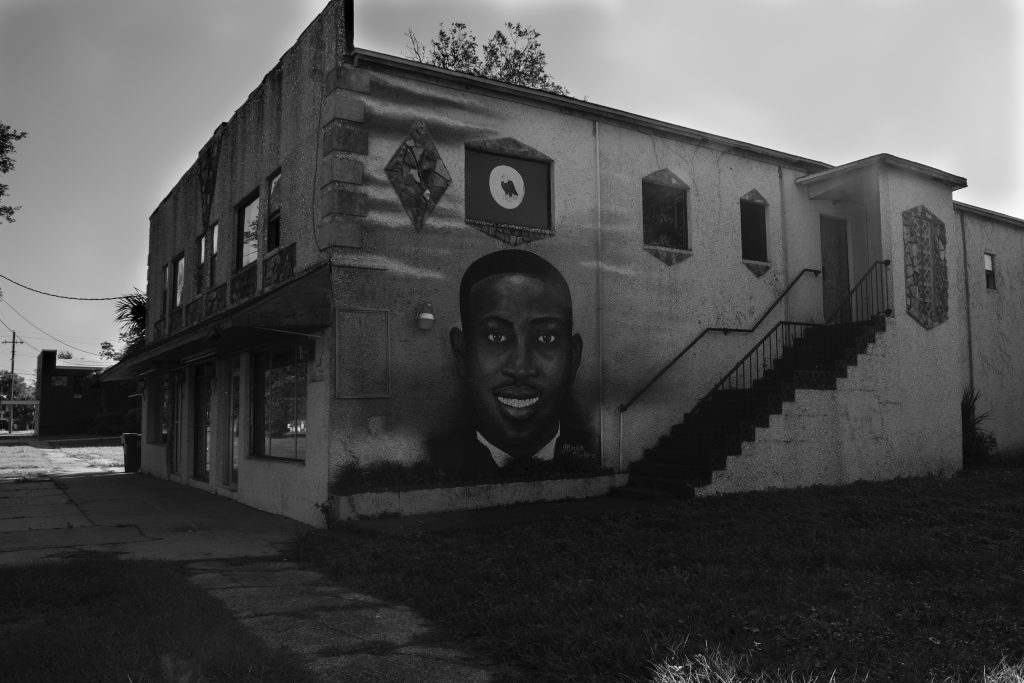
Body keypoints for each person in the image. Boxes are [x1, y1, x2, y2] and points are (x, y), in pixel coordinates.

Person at [428, 250, 597, 479]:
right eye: (496, 337)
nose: (520, 368)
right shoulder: (435, 455)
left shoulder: (591, 446)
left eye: (546, 338)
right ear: (461, 353)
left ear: (574, 357)